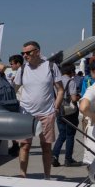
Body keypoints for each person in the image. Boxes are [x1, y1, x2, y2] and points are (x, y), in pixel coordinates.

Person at [13, 41, 64, 179]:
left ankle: (47, 176)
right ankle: (22, 175)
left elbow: (60, 89)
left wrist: (56, 108)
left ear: (37, 52)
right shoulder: (22, 69)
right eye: (23, 53)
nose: (24, 55)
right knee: (24, 146)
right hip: (25, 114)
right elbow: (14, 90)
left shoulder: (51, 66)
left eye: (28, 53)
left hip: (47, 113)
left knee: (46, 147)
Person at [52, 63, 81, 167]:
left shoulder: (56, 81)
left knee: (62, 135)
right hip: (70, 112)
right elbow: (73, 98)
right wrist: (78, 97)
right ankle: (68, 159)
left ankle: (54, 156)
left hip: (59, 109)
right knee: (70, 135)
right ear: (71, 72)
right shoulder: (71, 81)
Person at [7, 54, 24, 156]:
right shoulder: (23, 71)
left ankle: (16, 146)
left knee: (14, 126)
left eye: (12, 64)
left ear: (18, 63)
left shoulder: (20, 72)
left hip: (19, 102)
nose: (11, 66)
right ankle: (17, 145)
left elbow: (14, 89)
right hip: (21, 102)